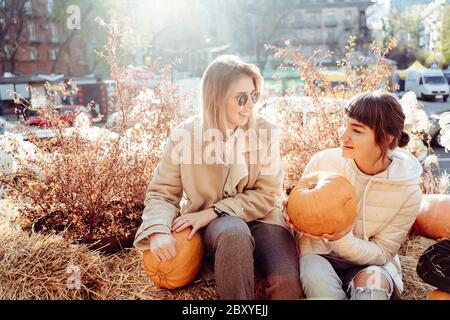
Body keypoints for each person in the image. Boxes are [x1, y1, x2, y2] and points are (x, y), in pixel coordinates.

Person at [134, 55, 301, 300]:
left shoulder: (266, 132)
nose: (250, 105)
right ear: (216, 97)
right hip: (218, 229)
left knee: (286, 286)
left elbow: (268, 194)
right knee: (233, 231)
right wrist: (158, 231)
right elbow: (162, 193)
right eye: (241, 98)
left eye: (254, 96)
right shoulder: (184, 136)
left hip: (264, 220)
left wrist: (213, 211)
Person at [285, 91, 423, 300]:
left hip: (371, 263)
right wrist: (289, 215)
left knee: (373, 290)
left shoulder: (408, 190)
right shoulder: (323, 162)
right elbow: (302, 210)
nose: (343, 135)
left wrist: (342, 239)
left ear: (386, 137)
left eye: (356, 130)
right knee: (314, 276)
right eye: (345, 124)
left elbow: (383, 252)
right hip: (319, 254)